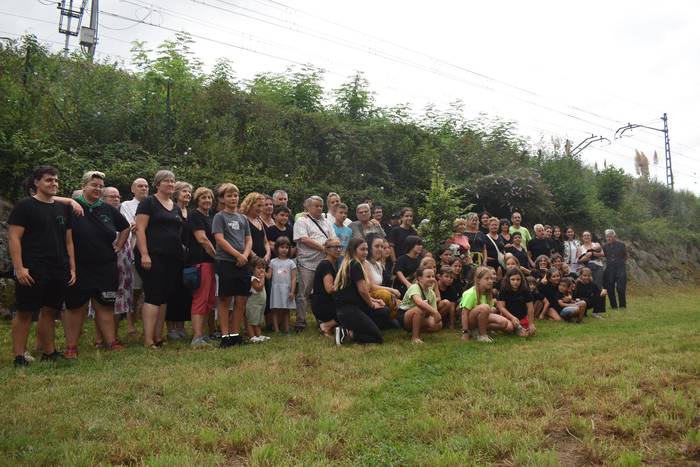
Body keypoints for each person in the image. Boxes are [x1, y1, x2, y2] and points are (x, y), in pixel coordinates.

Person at [8, 165, 76, 366]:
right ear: (36, 182)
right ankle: (19, 356)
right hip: (32, 267)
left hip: (58, 267)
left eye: (56, 180)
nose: (53, 184)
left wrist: (72, 267)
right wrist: (19, 267)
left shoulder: (63, 208)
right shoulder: (24, 206)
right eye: (48, 180)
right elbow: (14, 237)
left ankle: (49, 352)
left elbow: (69, 241)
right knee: (25, 311)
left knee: (50, 310)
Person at [63, 171, 130, 358]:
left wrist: (118, 245)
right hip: (78, 266)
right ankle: (71, 346)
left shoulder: (108, 209)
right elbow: (50, 200)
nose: (98, 189)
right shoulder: (71, 208)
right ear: (84, 186)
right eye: (94, 185)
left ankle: (111, 342)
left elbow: (124, 227)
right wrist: (70, 201)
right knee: (76, 307)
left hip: (105, 265)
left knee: (105, 306)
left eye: (101, 186)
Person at [134, 170, 185, 349]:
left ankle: (157, 336)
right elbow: (140, 229)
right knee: (153, 295)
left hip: (172, 258)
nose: (170, 184)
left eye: (172, 181)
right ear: (157, 184)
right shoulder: (149, 202)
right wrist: (145, 254)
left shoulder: (176, 206)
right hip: (152, 255)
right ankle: (148, 339)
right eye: (166, 181)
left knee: (164, 297)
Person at [212, 183, 252, 348]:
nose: (233, 198)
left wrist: (245, 255)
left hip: (243, 262)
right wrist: (236, 255)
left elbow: (248, 239)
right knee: (224, 299)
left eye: (235, 195)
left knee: (241, 299)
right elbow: (219, 239)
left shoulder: (243, 218)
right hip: (226, 261)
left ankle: (235, 334)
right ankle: (225, 335)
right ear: (222, 199)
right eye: (229, 195)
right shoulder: (219, 217)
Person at [293, 195, 336, 332]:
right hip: (307, 263)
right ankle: (300, 322)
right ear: (308, 207)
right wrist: (323, 248)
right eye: (316, 205)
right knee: (304, 293)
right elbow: (304, 239)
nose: (319, 208)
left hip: (324, 263)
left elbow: (332, 238)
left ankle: (322, 318)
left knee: (322, 293)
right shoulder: (302, 221)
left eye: (321, 206)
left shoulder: (326, 222)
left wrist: (330, 248)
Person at [333, 238, 387, 345]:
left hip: (348, 309)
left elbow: (356, 292)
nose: (366, 252)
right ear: (354, 251)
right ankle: (347, 332)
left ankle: (352, 330)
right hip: (350, 311)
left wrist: (374, 300)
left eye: (367, 249)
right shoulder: (355, 265)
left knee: (384, 311)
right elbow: (362, 290)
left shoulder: (349, 263)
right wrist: (372, 305)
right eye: (362, 249)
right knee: (378, 339)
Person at [116, 177, 149, 335]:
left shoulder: (151, 204)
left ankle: (144, 322)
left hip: (150, 250)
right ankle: (130, 324)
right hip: (133, 250)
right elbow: (130, 226)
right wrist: (138, 226)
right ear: (133, 189)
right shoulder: (127, 205)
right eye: (140, 186)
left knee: (147, 289)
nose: (144, 188)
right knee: (134, 289)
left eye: (146, 186)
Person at [188, 187, 217, 347]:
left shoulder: (211, 217)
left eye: (209, 197)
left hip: (211, 263)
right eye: (203, 198)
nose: (207, 200)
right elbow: (203, 240)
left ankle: (203, 334)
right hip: (201, 262)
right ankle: (197, 337)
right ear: (197, 200)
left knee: (209, 300)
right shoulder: (195, 216)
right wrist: (217, 257)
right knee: (200, 298)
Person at [166, 181, 193, 341]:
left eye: (189, 192)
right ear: (176, 193)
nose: (188, 194)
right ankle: (171, 328)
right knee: (172, 292)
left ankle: (181, 326)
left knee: (184, 293)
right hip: (173, 256)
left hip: (187, 259)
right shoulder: (171, 210)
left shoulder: (190, 212)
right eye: (184, 191)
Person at [458, 266, 507, 343]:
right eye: (487, 279)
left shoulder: (488, 292)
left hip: (480, 318)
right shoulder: (471, 293)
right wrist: (465, 332)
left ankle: (478, 330)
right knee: (485, 307)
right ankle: (482, 335)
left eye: (491, 278)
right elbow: (464, 313)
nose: (490, 281)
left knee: (504, 323)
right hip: (470, 321)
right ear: (478, 280)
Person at [397, 267, 442, 344]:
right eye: (428, 276)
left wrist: (434, 316)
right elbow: (419, 302)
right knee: (420, 308)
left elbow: (433, 314)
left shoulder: (431, 293)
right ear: (420, 278)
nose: (431, 279)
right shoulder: (414, 287)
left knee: (438, 325)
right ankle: (415, 337)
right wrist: (435, 312)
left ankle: (416, 330)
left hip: (420, 316)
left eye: (433, 276)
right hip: (405, 316)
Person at [365, 235, 401, 319]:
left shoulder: (379, 264)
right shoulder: (365, 263)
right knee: (386, 294)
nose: (380, 249)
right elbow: (371, 287)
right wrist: (391, 290)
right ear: (369, 247)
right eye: (377, 246)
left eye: (382, 246)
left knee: (399, 302)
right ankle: (397, 317)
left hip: (380, 294)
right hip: (370, 296)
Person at [267, 237, 297, 335]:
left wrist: (292, 291)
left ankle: (287, 329)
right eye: (281, 247)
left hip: (287, 289)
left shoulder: (291, 262)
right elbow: (268, 276)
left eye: (286, 247)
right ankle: (276, 330)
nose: (284, 249)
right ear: (277, 248)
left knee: (286, 310)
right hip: (276, 289)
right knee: (275, 309)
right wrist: (261, 271)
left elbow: (293, 278)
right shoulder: (273, 262)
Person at [496, 268, 535, 337]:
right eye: (513, 279)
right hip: (508, 317)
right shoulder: (503, 290)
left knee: (529, 333)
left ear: (521, 280)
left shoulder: (525, 290)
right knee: (510, 328)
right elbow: (501, 307)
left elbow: (530, 308)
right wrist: (512, 318)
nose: (515, 282)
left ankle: (519, 328)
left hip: (522, 318)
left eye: (518, 279)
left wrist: (531, 323)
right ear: (508, 280)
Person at [240, 192, 271, 264]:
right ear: (250, 205)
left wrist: (268, 253)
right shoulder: (243, 219)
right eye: (258, 206)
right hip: (250, 260)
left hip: (263, 261)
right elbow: (243, 241)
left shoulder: (259, 220)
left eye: (262, 206)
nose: (261, 209)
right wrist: (254, 256)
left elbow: (265, 242)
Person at [602, 229, 628, 309]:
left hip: (620, 268)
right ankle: (613, 306)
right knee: (610, 287)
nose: (609, 238)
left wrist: (620, 262)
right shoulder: (605, 246)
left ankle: (622, 306)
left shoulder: (621, 245)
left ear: (614, 236)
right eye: (607, 237)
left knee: (621, 287)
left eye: (610, 236)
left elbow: (625, 256)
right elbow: (604, 256)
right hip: (610, 269)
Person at [246, 257, 269, 342]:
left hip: (260, 304)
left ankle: (259, 335)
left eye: (263, 268)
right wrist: (262, 279)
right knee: (251, 321)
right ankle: (252, 336)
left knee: (258, 321)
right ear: (253, 269)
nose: (261, 270)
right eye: (259, 268)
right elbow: (258, 288)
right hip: (253, 304)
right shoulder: (253, 279)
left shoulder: (259, 279)